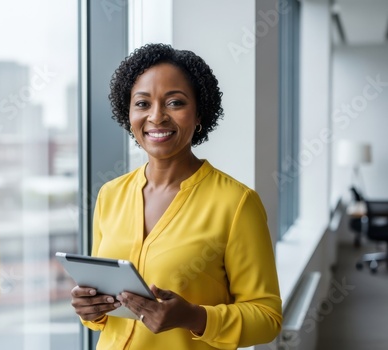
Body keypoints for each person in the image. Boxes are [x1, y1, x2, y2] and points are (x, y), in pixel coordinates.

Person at [71, 43, 282, 350]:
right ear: (127, 113)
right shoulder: (110, 195)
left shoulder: (236, 204)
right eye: (142, 104)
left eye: (175, 103)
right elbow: (105, 309)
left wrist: (195, 318)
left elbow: (267, 318)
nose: (157, 117)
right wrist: (91, 310)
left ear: (199, 114)